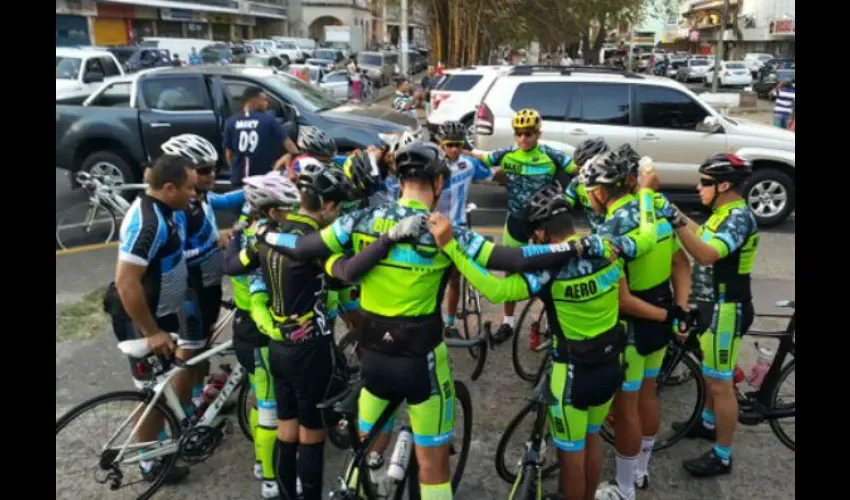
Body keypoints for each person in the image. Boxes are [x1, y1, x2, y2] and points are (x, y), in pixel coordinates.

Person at [250, 141, 618, 500]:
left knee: (363, 457)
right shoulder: (446, 231)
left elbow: (300, 248)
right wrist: (575, 246)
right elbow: (515, 259)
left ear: (398, 180)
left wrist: (265, 232)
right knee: (432, 471)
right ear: (439, 182)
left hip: (374, 358)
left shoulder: (359, 219)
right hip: (421, 363)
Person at [426, 182, 658, 500]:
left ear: (543, 235)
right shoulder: (607, 247)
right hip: (611, 364)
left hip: (572, 377)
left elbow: (497, 291)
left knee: (571, 459)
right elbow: (646, 237)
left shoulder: (551, 268)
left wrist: (451, 247)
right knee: (592, 440)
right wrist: (646, 192)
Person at [231, 165, 422, 500]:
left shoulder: (269, 234)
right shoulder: (314, 245)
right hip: (310, 350)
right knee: (311, 433)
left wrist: (253, 235)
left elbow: (231, 266)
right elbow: (348, 272)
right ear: (330, 207)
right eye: (339, 210)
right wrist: (388, 239)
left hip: (278, 345)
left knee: (286, 429)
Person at [583, 152, 690, 500]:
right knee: (649, 394)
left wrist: (665, 316)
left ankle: (625, 487)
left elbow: (621, 300)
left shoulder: (612, 227)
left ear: (600, 191)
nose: (586, 196)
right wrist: (678, 310)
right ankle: (641, 470)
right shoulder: (655, 209)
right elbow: (681, 264)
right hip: (661, 311)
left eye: (588, 189)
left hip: (632, 325)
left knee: (627, 408)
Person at [664, 154, 759, 478]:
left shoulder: (738, 217)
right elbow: (704, 235)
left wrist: (673, 220)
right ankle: (706, 423)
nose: (698, 187)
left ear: (724, 185)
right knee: (710, 373)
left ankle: (723, 456)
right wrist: (673, 210)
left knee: (720, 384)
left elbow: (704, 254)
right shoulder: (722, 214)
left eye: (704, 182)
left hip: (726, 309)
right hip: (712, 307)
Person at [110, 154, 198, 484]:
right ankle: (149, 463)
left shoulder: (164, 210)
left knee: (158, 392)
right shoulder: (151, 222)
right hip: (142, 322)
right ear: (169, 187)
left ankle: (157, 450)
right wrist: (151, 332)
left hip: (161, 314)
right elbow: (126, 283)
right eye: (189, 187)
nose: (194, 193)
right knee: (150, 396)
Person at [469, 108, 577, 344]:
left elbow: (578, 172)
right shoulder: (508, 153)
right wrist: (455, 151)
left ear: (538, 134)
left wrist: (567, 198)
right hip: (517, 221)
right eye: (518, 134)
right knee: (511, 270)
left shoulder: (550, 154)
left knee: (551, 274)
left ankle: (551, 321)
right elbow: (482, 157)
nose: (523, 139)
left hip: (543, 225)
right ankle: (508, 323)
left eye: (528, 134)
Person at [224, 173, 299, 500]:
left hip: (243, 329)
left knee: (259, 397)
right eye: (285, 209)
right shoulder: (260, 242)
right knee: (271, 406)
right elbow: (259, 297)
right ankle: (271, 480)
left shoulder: (242, 229)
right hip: (260, 330)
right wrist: (277, 330)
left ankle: (260, 461)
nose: (290, 214)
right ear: (270, 212)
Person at [162, 133, 246, 420]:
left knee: (203, 349)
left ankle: (197, 401)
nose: (212, 175)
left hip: (208, 285)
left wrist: (263, 185)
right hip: (190, 289)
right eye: (203, 170)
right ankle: (179, 416)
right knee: (188, 358)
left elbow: (224, 200)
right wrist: (215, 244)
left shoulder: (202, 196)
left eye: (213, 168)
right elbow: (177, 254)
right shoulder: (181, 210)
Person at [434, 121, 494, 338]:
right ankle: (432, 321)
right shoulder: (433, 167)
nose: (454, 150)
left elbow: (489, 172)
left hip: (457, 228)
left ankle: (449, 324)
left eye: (458, 145)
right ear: (440, 145)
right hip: (433, 229)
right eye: (449, 145)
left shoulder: (467, 164)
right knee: (434, 281)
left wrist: (474, 153)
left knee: (454, 279)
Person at [224, 86, 299, 186]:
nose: (267, 104)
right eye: (264, 100)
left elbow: (229, 154)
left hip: (238, 179)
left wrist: (234, 171)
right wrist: (298, 156)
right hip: (262, 179)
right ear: (256, 100)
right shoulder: (269, 121)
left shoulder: (231, 122)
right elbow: (289, 145)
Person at [563, 137, 611, 233]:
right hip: (595, 235)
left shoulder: (613, 185)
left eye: (588, 168)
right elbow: (564, 206)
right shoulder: (576, 183)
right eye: (580, 167)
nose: (583, 172)